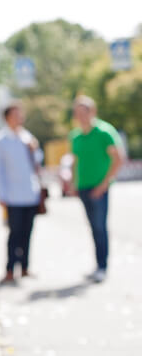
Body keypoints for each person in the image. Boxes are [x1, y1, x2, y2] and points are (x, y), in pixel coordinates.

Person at [70, 95, 125, 283]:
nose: (80, 116)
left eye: (83, 112)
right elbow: (75, 162)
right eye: (77, 113)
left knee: (100, 227)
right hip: (83, 188)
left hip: (99, 188)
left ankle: (103, 267)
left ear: (92, 112)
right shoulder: (76, 136)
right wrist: (73, 183)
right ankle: (97, 264)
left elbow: (118, 159)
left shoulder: (104, 132)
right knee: (93, 228)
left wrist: (103, 185)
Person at [0, 102, 41, 283]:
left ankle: (25, 267)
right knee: (14, 234)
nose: (19, 118)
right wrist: (1, 195)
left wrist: (35, 149)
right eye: (15, 115)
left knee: (28, 233)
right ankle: (10, 269)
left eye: (21, 114)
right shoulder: (0, 141)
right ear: (7, 118)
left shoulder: (28, 137)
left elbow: (36, 162)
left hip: (30, 194)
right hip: (12, 196)